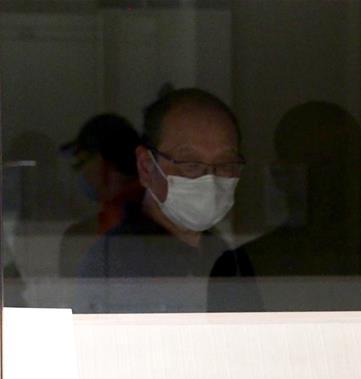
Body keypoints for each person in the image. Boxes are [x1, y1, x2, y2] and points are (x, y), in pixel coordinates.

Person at [208, 101, 361, 311]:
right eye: (315, 167)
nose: (330, 181)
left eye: (340, 164)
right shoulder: (244, 268)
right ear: (280, 175)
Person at [75, 88, 244, 313]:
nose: (210, 180)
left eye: (225, 164)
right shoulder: (114, 262)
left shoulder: (226, 257)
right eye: (190, 164)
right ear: (146, 166)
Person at [59, 114, 144, 277]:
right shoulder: (160, 213)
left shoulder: (83, 237)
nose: (81, 173)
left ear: (102, 162)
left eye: (82, 163)